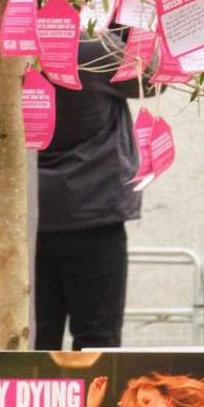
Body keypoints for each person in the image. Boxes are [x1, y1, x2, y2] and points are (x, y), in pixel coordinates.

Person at [35, 30, 142, 348]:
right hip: (94, 213)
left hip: (28, 215)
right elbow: (154, 73)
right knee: (98, 341)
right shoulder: (91, 47)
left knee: (36, 339)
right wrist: (130, 22)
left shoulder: (12, 42)